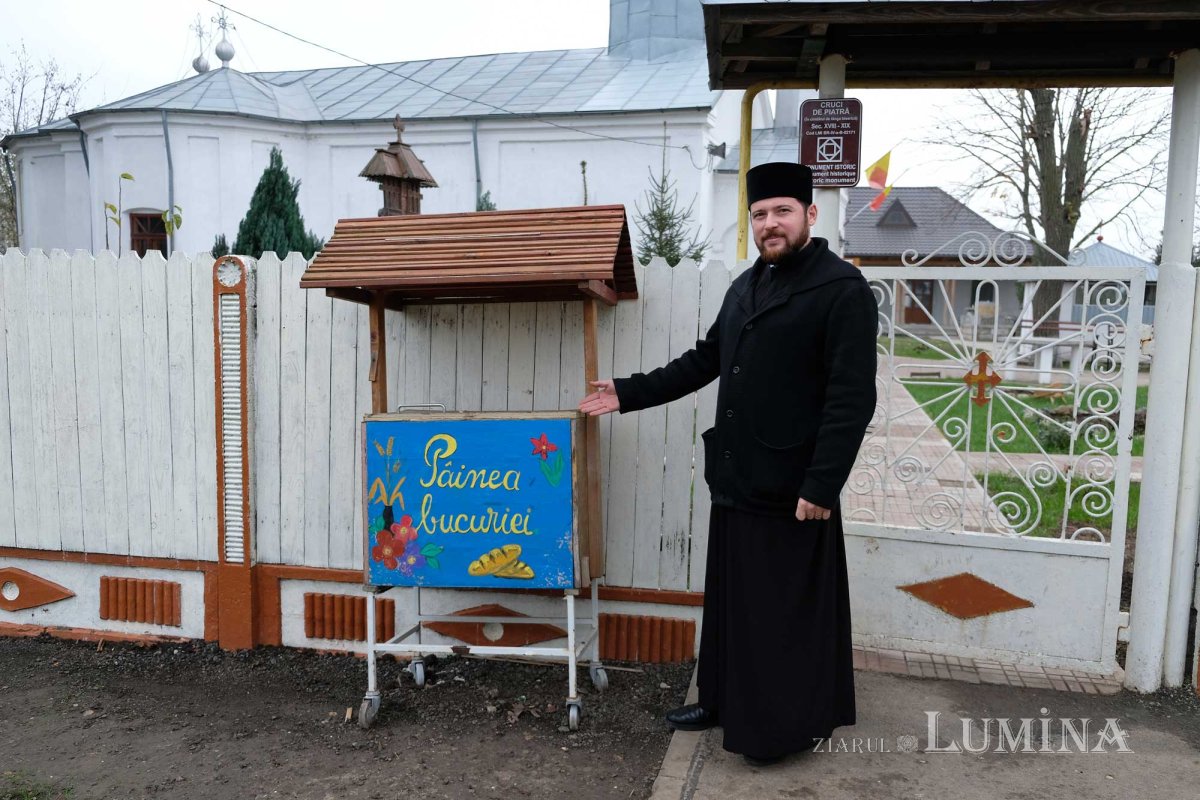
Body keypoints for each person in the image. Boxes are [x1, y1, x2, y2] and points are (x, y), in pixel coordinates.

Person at [579, 162, 877, 765]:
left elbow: (851, 398)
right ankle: (718, 699)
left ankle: (777, 728)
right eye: (760, 214)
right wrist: (629, 391)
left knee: (780, 614)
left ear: (810, 216)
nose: (770, 224)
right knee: (732, 603)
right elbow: (705, 358)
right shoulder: (746, 284)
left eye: (782, 212)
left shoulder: (841, 289)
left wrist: (822, 483)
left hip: (795, 485)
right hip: (739, 475)